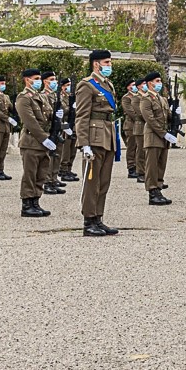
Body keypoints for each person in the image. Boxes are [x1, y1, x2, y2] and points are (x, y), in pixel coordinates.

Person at [77, 50, 120, 236]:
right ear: (96, 64)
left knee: (103, 181)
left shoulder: (107, 84)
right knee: (92, 182)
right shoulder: (87, 85)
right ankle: (88, 221)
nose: (110, 65)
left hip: (108, 135)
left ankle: (98, 218)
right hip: (95, 137)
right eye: (107, 62)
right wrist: (84, 143)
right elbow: (82, 116)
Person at [15, 68, 55, 218]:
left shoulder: (41, 97)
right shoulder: (24, 98)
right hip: (31, 141)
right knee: (30, 174)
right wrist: (44, 138)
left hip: (43, 142)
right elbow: (30, 121)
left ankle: (35, 202)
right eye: (36, 78)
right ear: (27, 80)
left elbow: (48, 116)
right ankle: (27, 204)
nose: (39, 81)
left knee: (41, 173)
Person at [138, 71, 174, 205]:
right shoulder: (146, 99)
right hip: (153, 135)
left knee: (161, 164)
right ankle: (152, 192)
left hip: (163, 136)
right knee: (152, 166)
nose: (160, 83)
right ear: (150, 83)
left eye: (160, 81)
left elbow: (167, 116)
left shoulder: (162, 99)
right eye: (157, 81)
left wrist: (174, 114)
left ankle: (158, 188)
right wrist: (163, 133)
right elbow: (150, 119)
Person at [41, 71, 66, 196]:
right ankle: (47, 181)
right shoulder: (43, 95)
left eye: (55, 79)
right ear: (45, 81)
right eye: (51, 79)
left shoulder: (57, 95)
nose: (54, 82)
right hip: (50, 128)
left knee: (57, 155)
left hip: (58, 127)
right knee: (50, 156)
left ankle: (54, 179)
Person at [57, 78, 79, 183]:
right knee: (65, 151)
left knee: (72, 150)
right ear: (62, 87)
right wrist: (71, 107)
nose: (69, 87)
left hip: (74, 126)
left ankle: (69, 169)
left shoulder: (72, 97)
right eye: (67, 85)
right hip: (65, 127)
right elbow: (62, 111)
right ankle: (63, 170)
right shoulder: (60, 97)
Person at [120, 79, 141, 179]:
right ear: (128, 87)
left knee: (138, 147)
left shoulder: (139, 96)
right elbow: (130, 112)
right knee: (131, 147)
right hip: (130, 125)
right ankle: (131, 167)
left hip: (138, 125)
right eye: (132, 85)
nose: (135, 86)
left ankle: (138, 167)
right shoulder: (126, 98)